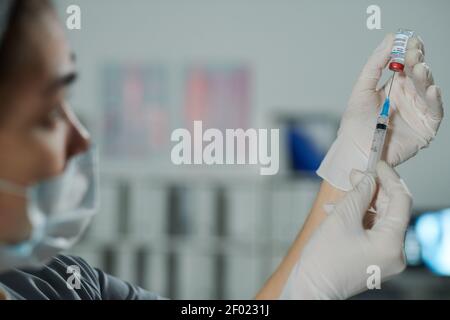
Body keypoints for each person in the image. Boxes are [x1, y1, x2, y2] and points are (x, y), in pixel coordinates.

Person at [0, 0, 443, 300]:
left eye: (68, 104)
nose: (83, 140)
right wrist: (311, 288)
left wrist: (348, 166)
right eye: (44, 115)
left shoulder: (64, 285)